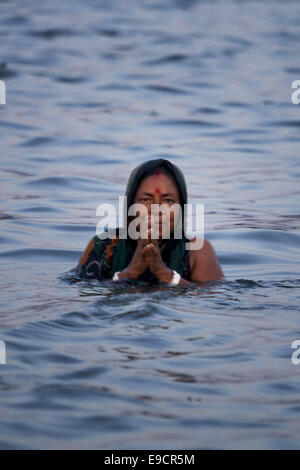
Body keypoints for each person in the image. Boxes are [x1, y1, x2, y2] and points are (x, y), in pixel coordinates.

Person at [72, 158, 224, 286]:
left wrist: (163, 273)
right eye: (145, 200)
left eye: (168, 200)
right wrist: (131, 272)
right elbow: (82, 291)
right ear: (130, 206)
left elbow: (213, 299)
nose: (156, 209)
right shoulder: (104, 246)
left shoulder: (197, 251)